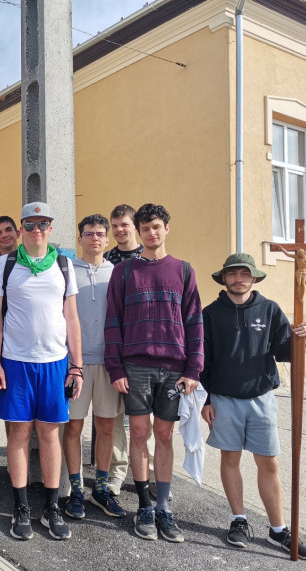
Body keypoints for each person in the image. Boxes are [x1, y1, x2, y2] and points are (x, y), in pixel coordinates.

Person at [200, 253, 306, 559]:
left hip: (261, 398)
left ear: (253, 277)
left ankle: (278, 530)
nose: (238, 279)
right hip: (224, 398)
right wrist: (207, 399)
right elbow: (203, 362)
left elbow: (284, 352)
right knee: (230, 458)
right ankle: (239, 520)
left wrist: (300, 339)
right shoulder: (210, 314)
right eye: (232, 273)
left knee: (269, 462)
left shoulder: (270, 309)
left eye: (244, 273)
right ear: (224, 278)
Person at [104, 203, 203, 543]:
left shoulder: (183, 270)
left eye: (156, 226)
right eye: (144, 228)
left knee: (164, 435)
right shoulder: (124, 272)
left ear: (166, 228)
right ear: (138, 231)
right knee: (139, 433)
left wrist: (194, 368)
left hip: (174, 368)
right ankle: (144, 506)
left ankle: (163, 507)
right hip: (136, 366)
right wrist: (115, 367)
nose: (151, 233)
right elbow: (113, 322)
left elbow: (194, 322)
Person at [0, 202, 83, 541]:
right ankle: (21, 507)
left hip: (55, 362)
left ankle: (52, 506)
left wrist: (77, 366)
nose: (36, 229)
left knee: (49, 434)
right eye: (30, 224)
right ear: (21, 229)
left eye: (42, 223)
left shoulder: (63, 264)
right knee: (18, 433)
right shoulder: (6, 264)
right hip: (16, 361)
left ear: (50, 228)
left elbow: (72, 318)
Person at [62, 214, 126, 520]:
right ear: (80, 239)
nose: (95, 238)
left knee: (106, 427)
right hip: (75, 363)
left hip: (109, 362)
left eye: (101, 234)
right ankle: (76, 490)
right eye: (89, 234)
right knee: (73, 427)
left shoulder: (118, 273)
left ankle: (100, 488)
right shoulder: (66, 270)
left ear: (107, 239)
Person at [102, 204, 157, 499]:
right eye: (115, 226)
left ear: (134, 226)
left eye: (124, 224)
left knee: (149, 420)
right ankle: (117, 472)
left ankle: (152, 474)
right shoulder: (107, 260)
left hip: (145, 349)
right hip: (115, 346)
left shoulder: (148, 257)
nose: (119, 230)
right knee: (115, 419)